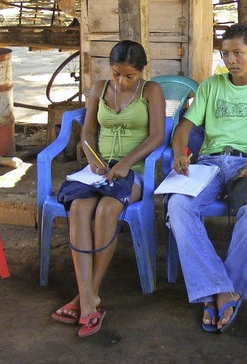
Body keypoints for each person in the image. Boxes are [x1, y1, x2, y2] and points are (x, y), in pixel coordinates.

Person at [167, 23, 247, 333]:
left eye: (238, 53)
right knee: (178, 205)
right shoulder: (211, 85)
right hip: (208, 164)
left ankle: (219, 290)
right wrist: (179, 150)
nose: (231, 60)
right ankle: (221, 287)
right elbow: (185, 125)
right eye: (225, 54)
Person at [52, 40, 165, 337]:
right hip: (98, 169)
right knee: (77, 207)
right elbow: (88, 130)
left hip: (134, 170)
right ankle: (87, 297)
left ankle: (88, 295)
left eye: (129, 76)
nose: (121, 81)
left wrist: (126, 163)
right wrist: (91, 158)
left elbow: (156, 136)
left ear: (142, 71)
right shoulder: (99, 89)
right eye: (116, 74)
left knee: (107, 211)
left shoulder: (151, 91)